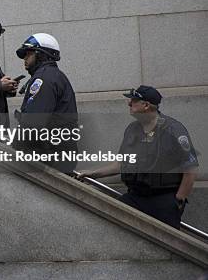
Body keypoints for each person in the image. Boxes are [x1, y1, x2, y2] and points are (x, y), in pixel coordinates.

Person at [76, 86, 199, 229]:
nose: (129, 104)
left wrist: (178, 200)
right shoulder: (133, 129)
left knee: (165, 247)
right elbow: (122, 164)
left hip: (163, 200)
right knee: (111, 225)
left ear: (146, 105)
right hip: (136, 197)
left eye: (133, 100)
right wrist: (93, 174)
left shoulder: (173, 130)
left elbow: (191, 169)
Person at [13, 33, 78, 173]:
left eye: (28, 54)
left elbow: (33, 122)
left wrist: (15, 148)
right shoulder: (52, 76)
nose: (25, 58)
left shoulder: (44, 78)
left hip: (49, 157)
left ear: (41, 54)